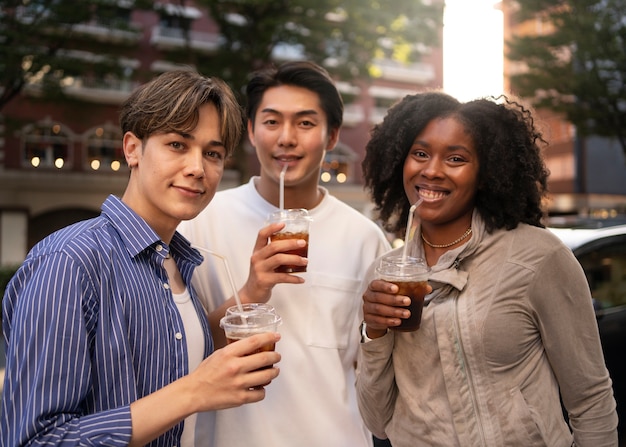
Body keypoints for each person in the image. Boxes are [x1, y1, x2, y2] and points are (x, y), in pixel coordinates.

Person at [1, 70, 282, 447]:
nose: (198, 168)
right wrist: (194, 392)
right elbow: (35, 439)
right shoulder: (69, 262)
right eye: (178, 145)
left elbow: (174, 353)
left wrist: (253, 289)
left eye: (212, 153)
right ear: (132, 148)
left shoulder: (177, 263)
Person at [356, 91, 619, 446]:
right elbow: (377, 420)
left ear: (485, 173)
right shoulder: (384, 274)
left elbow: (591, 399)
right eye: (420, 153)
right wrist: (373, 332)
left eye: (455, 158)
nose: (431, 170)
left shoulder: (538, 257)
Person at [178, 60, 391, 446]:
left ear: (331, 137)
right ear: (250, 131)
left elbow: (372, 366)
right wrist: (252, 291)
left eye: (306, 123)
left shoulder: (364, 237)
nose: (286, 138)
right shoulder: (198, 223)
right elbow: (179, 350)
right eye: (272, 121)